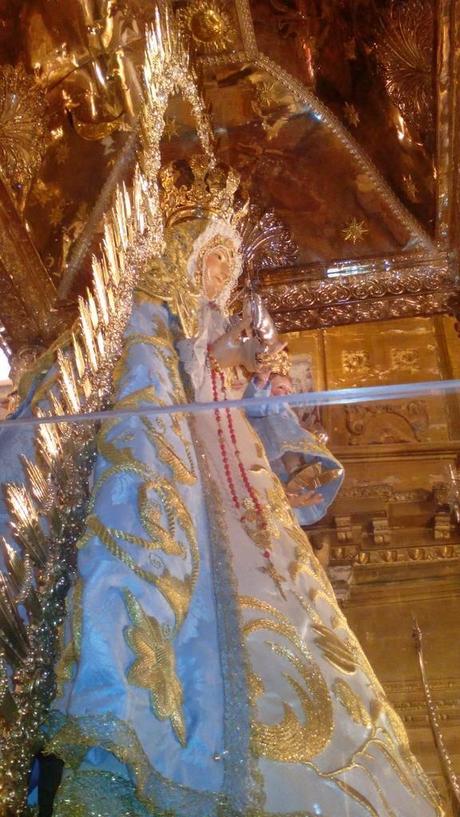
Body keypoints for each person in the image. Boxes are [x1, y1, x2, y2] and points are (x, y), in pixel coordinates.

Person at [3, 194, 442, 816]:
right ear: (185, 261)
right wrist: (219, 355)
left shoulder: (227, 333)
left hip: (249, 500)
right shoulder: (163, 319)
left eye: (226, 268)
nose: (219, 278)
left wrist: (283, 429)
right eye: (211, 260)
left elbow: (265, 417)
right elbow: (157, 382)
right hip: (189, 482)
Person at [244, 362, 344, 523]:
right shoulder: (265, 401)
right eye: (280, 387)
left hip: (280, 448)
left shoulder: (286, 410)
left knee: (280, 474)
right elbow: (253, 406)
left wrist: (310, 434)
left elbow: (295, 427)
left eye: (289, 391)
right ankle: (295, 478)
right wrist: (260, 383)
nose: (285, 393)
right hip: (263, 437)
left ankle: (295, 486)